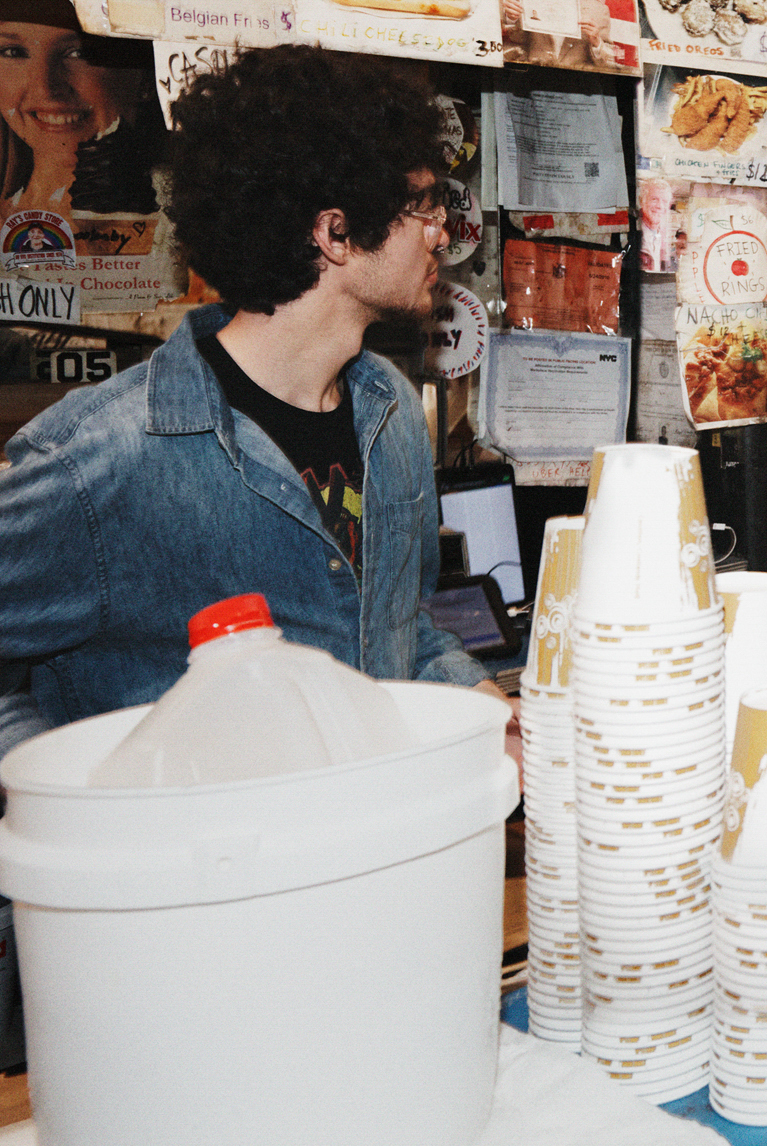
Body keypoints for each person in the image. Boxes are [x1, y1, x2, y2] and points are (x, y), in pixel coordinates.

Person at [0, 46, 505, 762]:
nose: (442, 232)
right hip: (204, 869)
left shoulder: (391, 413)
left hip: (372, 850)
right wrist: (64, 787)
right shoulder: (101, 460)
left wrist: (491, 711)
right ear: (334, 234)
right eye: (422, 205)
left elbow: (404, 631)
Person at [0, 3, 160, 223]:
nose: (45, 88)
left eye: (80, 53)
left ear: (146, 75)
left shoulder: (195, 222)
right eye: (14, 52)